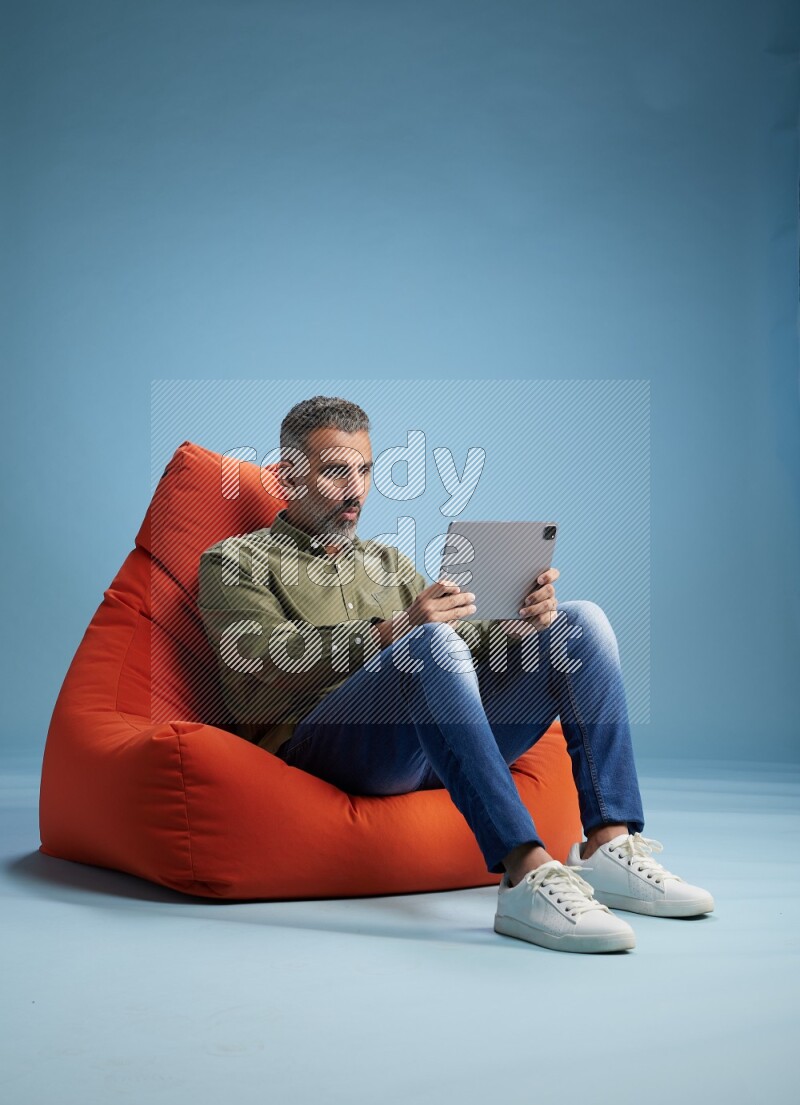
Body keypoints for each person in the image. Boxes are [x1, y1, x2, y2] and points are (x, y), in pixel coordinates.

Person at [198, 395, 714, 954]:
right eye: (335, 471)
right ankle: (523, 872)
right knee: (426, 644)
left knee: (579, 622)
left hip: (427, 745)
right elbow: (259, 657)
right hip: (323, 749)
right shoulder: (235, 561)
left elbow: (461, 641)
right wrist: (393, 632)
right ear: (287, 475)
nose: (355, 490)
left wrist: (521, 623)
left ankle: (608, 844)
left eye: (365, 470)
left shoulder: (387, 564)